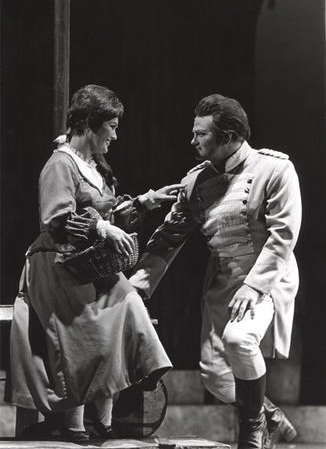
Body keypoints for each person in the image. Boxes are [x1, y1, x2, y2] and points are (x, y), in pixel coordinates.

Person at [5, 84, 184, 442]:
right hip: (57, 264)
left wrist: (146, 202)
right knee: (88, 333)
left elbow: (108, 216)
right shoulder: (60, 164)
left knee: (129, 302)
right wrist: (101, 228)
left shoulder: (95, 166)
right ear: (89, 123)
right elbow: (56, 219)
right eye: (112, 126)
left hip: (89, 264)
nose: (115, 135)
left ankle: (113, 408)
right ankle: (74, 425)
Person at [129, 94, 302, 449]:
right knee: (216, 377)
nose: (193, 141)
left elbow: (283, 236)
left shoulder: (275, 170)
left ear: (228, 136)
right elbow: (167, 238)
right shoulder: (195, 182)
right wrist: (137, 287)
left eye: (201, 134)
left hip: (267, 277)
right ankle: (270, 417)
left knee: (240, 340)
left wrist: (254, 287)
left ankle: (252, 435)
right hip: (224, 281)